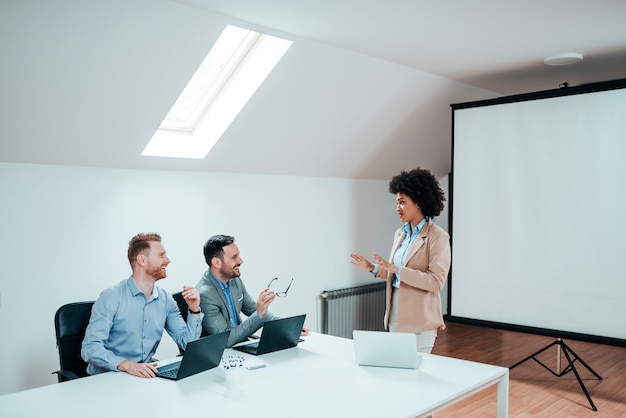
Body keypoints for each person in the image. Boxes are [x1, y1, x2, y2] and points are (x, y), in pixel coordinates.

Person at [350, 167, 451, 354]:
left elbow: (436, 282)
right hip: (394, 315)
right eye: (397, 202)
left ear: (419, 202)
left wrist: (397, 269)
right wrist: (373, 268)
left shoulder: (438, 237)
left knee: (416, 377)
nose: (397, 208)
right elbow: (395, 275)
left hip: (421, 322)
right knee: (398, 375)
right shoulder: (400, 233)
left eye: (402, 203)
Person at [81, 233, 204, 377]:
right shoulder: (111, 297)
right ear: (142, 260)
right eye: (161, 255)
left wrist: (194, 310)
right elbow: (90, 348)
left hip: (143, 375)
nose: (168, 260)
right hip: (108, 377)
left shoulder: (165, 299)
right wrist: (127, 365)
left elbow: (188, 344)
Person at [196, 234, 308, 347]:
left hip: (240, 345)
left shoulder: (233, 280)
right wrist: (259, 315)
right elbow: (226, 339)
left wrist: (287, 327)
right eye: (234, 257)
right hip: (221, 353)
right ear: (216, 262)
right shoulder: (204, 295)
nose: (241, 261)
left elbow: (252, 308)